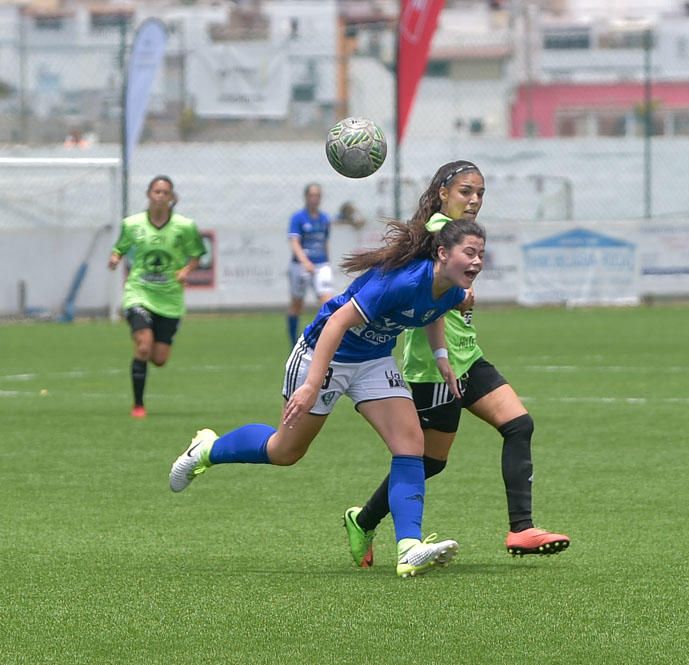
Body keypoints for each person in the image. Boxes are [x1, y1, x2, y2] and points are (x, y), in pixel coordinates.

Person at [168, 216, 486, 579]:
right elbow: (336, 323)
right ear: (443, 253)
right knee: (284, 451)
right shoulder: (402, 281)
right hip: (324, 353)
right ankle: (207, 450)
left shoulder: (453, 289)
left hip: (373, 360)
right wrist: (311, 384)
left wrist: (442, 358)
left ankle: (408, 549)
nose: (477, 262)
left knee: (410, 444)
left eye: (481, 254)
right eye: (470, 253)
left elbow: (434, 310)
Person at [342, 160, 570, 569]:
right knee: (429, 461)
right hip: (432, 369)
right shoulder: (435, 237)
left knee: (519, 425)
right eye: (466, 191)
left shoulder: (456, 236)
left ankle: (521, 528)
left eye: (480, 193)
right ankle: (364, 519)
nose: (475, 200)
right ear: (442, 192)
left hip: (469, 358)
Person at [108, 175, 206, 418]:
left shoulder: (185, 226)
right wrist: (115, 258)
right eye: (156, 192)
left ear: (171, 197)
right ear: (149, 195)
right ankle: (138, 405)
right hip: (139, 292)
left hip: (170, 298)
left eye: (165, 192)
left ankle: (147, 355)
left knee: (159, 359)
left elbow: (197, 255)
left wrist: (185, 270)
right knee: (143, 346)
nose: (160, 196)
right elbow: (120, 247)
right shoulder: (133, 224)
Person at [287, 183, 336, 348]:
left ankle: (323, 342)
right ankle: (294, 343)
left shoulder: (325, 219)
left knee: (327, 303)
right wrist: (305, 261)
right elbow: (294, 242)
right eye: (312, 195)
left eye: (317, 195)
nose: (315, 199)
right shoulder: (298, 218)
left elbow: (325, 241)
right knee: (297, 304)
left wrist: (328, 261)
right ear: (306, 197)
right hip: (301, 266)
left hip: (321, 264)